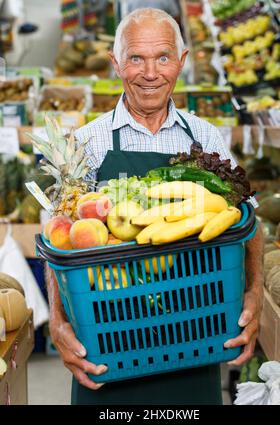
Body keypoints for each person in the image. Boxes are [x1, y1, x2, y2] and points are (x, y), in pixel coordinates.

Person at [46, 8, 264, 405]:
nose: (150, 73)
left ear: (182, 61)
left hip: (194, 339)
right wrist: (58, 323)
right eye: (136, 58)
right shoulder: (87, 143)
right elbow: (59, 247)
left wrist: (254, 295)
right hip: (109, 346)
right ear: (116, 64)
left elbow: (249, 222)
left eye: (163, 57)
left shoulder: (204, 135)